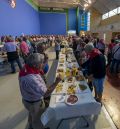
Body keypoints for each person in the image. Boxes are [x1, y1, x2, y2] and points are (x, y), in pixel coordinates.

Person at [19, 53, 61, 129]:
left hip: (28, 100)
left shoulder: (27, 68)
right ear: (36, 65)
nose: (42, 64)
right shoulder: (32, 78)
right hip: (34, 103)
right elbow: (46, 93)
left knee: (32, 115)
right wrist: (56, 82)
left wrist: (46, 61)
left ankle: (31, 125)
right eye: (41, 63)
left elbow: (41, 69)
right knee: (38, 120)